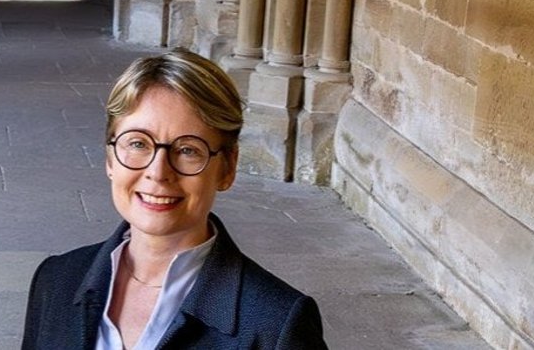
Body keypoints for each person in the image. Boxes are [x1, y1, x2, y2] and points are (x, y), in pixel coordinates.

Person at [21, 50, 327, 349]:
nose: (158, 172)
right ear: (110, 159)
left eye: (188, 150)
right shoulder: (56, 281)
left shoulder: (276, 323)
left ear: (227, 168)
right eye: (138, 143)